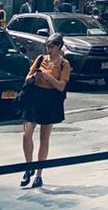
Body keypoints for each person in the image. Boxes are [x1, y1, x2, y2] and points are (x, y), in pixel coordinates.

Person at [20, 33, 71, 189]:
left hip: (50, 100)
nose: (50, 50)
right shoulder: (41, 59)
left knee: (44, 138)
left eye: (52, 47)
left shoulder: (64, 64)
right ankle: (29, 166)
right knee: (26, 133)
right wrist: (33, 77)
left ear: (59, 47)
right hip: (36, 96)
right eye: (48, 46)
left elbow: (61, 86)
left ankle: (39, 174)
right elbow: (28, 77)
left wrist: (48, 78)